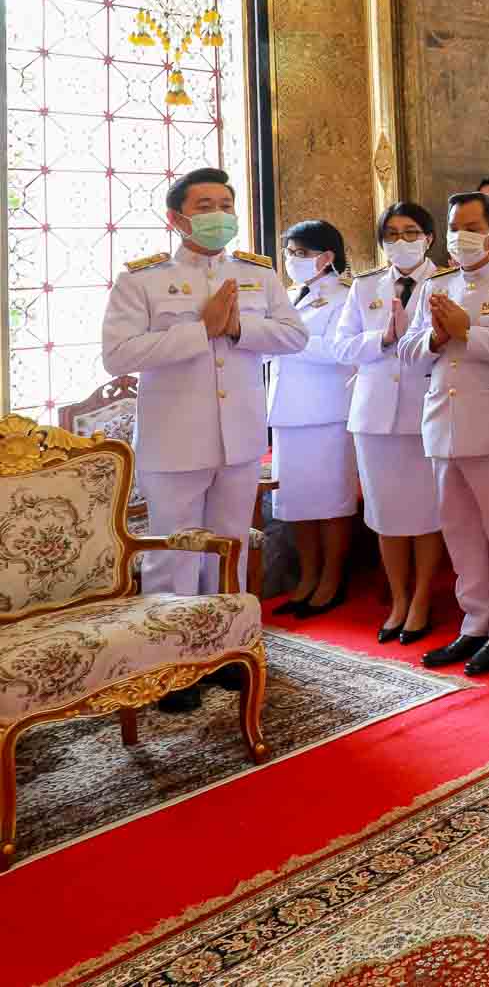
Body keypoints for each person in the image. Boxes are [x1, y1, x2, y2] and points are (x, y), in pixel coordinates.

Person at [101, 168, 307, 709]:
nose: (219, 214)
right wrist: (202, 329)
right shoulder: (142, 280)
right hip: (175, 441)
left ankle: (224, 652)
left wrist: (238, 328)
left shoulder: (257, 274)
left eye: (226, 204)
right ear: (177, 218)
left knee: (228, 547)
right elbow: (118, 355)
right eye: (205, 205)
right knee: (175, 554)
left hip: (239, 437)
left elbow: (294, 335)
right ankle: (172, 666)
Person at [402, 191, 489, 677]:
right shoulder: (436, 284)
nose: (460, 237)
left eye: (471, 227)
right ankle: (475, 620)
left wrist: (468, 331)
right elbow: (407, 352)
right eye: (454, 227)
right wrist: (435, 337)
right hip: (443, 421)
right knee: (460, 529)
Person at [332, 201, 444, 643]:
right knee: (385, 513)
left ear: (429, 238)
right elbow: (341, 347)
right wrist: (382, 337)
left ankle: (422, 599)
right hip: (374, 414)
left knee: (426, 512)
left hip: (426, 410)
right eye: (392, 234)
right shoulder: (365, 286)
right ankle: (398, 599)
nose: (402, 241)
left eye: (411, 232)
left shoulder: (447, 282)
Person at [268, 219, 361, 617]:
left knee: (330, 502)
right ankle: (307, 578)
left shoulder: (345, 296)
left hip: (326, 411)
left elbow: (341, 350)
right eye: (290, 252)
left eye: (302, 253)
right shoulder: (289, 296)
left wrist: (288, 341)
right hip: (288, 410)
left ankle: (331, 579)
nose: (293, 259)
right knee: (296, 503)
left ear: (326, 256)